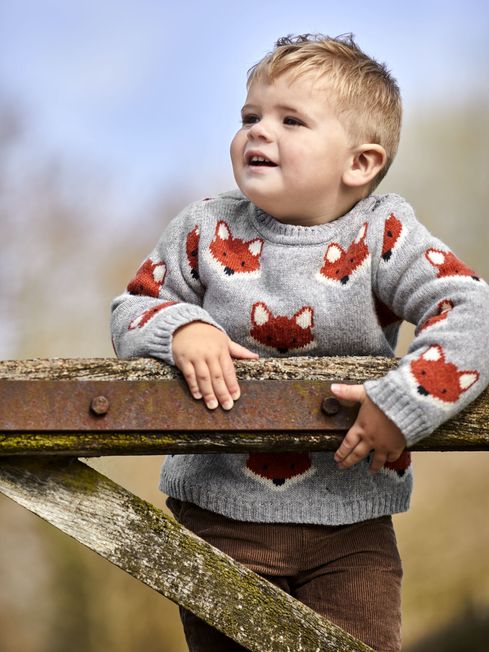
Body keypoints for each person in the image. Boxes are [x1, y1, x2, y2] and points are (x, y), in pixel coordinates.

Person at [111, 34, 489, 651]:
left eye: (291, 120)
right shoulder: (205, 228)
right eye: (249, 116)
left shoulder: (383, 233)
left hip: (353, 525)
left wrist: (404, 402)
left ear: (360, 163)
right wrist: (182, 325)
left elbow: (475, 308)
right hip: (219, 518)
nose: (259, 131)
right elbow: (132, 308)